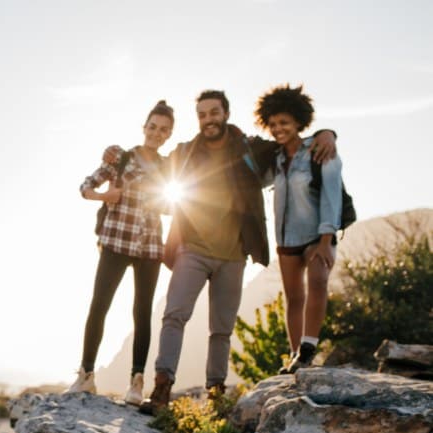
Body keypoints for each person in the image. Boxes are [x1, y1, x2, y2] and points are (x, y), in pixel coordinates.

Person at [101, 90, 336, 414]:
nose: (208, 119)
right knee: (174, 316)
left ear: (225, 113)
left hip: (233, 255)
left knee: (221, 330)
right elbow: (151, 167)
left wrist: (327, 134)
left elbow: (291, 138)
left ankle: (215, 394)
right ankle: (161, 389)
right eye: (202, 114)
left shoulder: (249, 147)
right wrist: (119, 155)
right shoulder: (184, 152)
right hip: (192, 251)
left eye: (214, 112)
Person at [66, 101, 175, 405]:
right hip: (115, 241)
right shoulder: (121, 158)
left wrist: (161, 205)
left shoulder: (168, 168)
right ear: (144, 127)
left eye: (163, 130)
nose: (156, 133)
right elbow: (85, 186)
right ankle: (86, 375)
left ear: (168, 135)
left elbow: (174, 205)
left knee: (141, 313)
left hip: (150, 246)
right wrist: (104, 195)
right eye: (152, 127)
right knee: (99, 305)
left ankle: (136, 383)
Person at [255, 84, 342, 374]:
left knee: (318, 281)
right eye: (274, 123)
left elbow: (332, 195)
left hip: (318, 235)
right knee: (293, 298)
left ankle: (307, 349)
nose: (279, 128)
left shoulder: (320, 150)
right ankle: (295, 358)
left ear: (298, 123)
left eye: (285, 123)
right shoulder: (275, 160)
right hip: (286, 239)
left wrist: (326, 238)